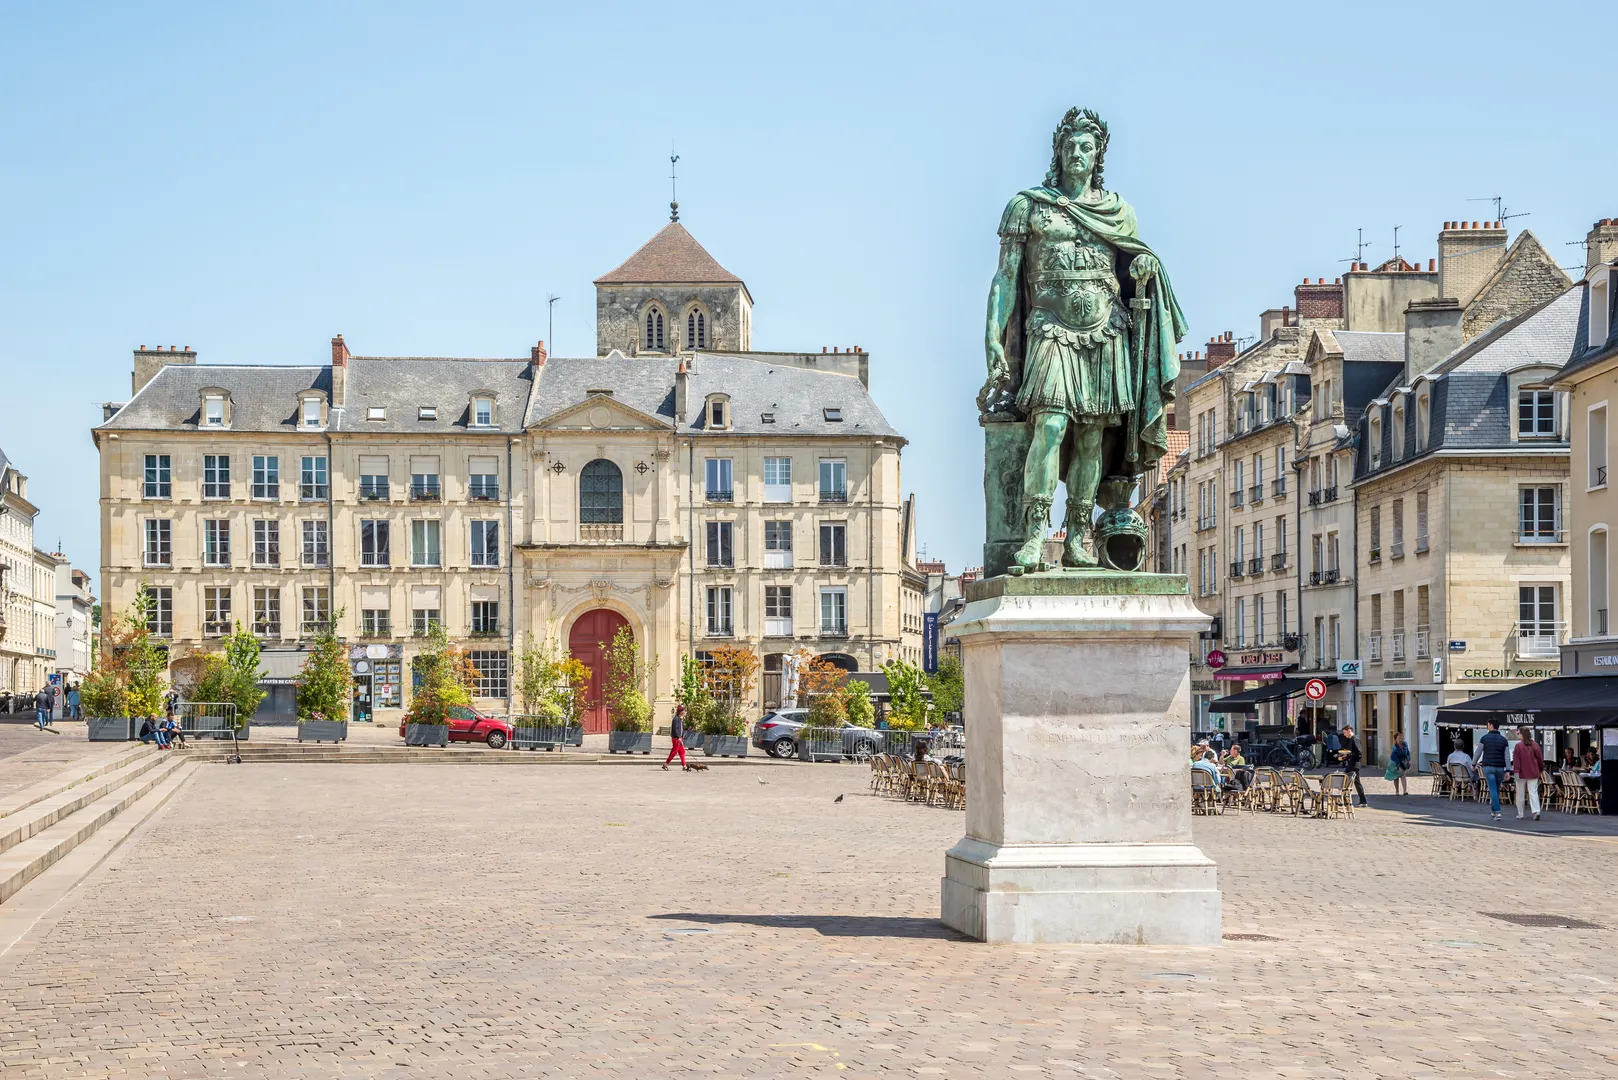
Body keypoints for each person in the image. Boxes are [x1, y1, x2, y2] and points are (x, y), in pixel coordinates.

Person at [1475, 721, 1510, 821]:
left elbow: (1478, 752)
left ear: (1490, 725)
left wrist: (1473, 764)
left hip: (1489, 767)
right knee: (1496, 789)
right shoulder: (1504, 740)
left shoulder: (1484, 738)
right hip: (1500, 768)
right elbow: (1507, 756)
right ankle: (1493, 811)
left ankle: (1498, 812)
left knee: (1492, 789)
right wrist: (1508, 770)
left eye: (1488, 724)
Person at [1511, 727, 1544, 821]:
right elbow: (1540, 759)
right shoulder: (1535, 745)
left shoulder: (1518, 746)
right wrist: (1540, 769)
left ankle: (1521, 813)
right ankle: (1536, 811)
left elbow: (1516, 761)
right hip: (1533, 772)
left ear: (1522, 734)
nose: (1518, 735)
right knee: (1533, 792)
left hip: (1521, 772)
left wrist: (1516, 771)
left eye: (1518, 733)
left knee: (1520, 793)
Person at [1337, 726, 1367, 806]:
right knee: (1345, 780)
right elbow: (1350, 752)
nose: (1344, 735)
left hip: (1355, 765)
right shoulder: (1350, 740)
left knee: (1356, 783)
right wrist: (1344, 756)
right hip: (1351, 764)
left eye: (1345, 732)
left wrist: (1349, 754)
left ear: (1349, 731)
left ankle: (1363, 801)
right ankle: (1344, 799)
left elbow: (1359, 753)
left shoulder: (1355, 739)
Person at [662, 704, 689, 771]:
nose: (685, 712)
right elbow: (674, 729)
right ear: (681, 712)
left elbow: (680, 729)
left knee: (682, 751)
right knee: (674, 751)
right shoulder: (676, 719)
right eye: (684, 710)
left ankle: (684, 765)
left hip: (679, 738)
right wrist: (678, 737)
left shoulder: (679, 719)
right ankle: (666, 764)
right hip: (676, 738)